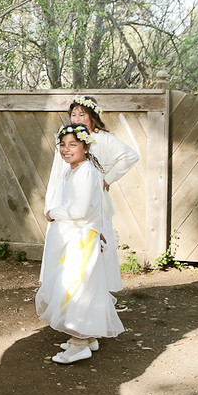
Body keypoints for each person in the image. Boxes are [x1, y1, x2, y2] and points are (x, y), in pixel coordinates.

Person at [37, 123, 125, 364]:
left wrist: (54, 212)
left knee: (75, 288)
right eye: (63, 145)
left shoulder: (86, 172)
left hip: (79, 241)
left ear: (86, 147)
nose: (66, 149)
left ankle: (78, 344)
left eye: (73, 145)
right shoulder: (73, 170)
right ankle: (87, 337)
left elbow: (81, 209)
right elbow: (91, 208)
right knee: (79, 286)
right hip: (74, 237)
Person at [45, 94, 139, 296]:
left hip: (92, 204)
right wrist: (49, 201)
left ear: (92, 117)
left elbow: (130, 156)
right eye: (73, 114)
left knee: (93, 248)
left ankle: (96, 293)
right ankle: (67, 292)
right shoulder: (66, 139)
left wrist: (107, 179)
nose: (77, 118)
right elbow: (55, 173)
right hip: (65, 201)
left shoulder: (102, 139)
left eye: (82, 114)